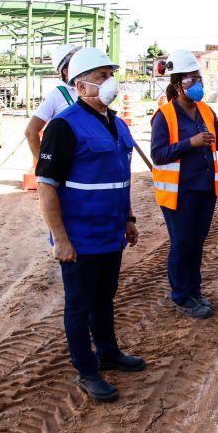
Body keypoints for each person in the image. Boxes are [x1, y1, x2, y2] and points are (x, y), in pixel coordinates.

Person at [35, 47, 144, 403]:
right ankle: (86, 370)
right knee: (79, 305)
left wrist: (128, 218)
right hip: (79, 239)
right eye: (101, 76)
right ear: (80, 87)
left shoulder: (118, 122)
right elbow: (46, 186)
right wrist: (60, 239)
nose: (110, 81)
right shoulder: (63, 126)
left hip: (111, 233)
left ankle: (108, 352)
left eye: (110, 73)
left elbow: (120, 177)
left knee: (105, 297)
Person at [151, 50, 218, 319]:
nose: (199, 85)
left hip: (205, 190)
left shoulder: (206, 111)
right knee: (182, 243)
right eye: (191, 80)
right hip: (179, 193)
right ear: (177, 86)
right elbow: (158, 154)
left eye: (199, 79)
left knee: (197, 243)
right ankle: (181, 296)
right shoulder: (164, 116)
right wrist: (190, 143)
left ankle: (194, 291)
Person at [25, 44, 82, 161]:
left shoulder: (84, 90)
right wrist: (45, 164)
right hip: (69, 162)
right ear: (66, 71)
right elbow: (31, 132)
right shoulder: (56, 95)